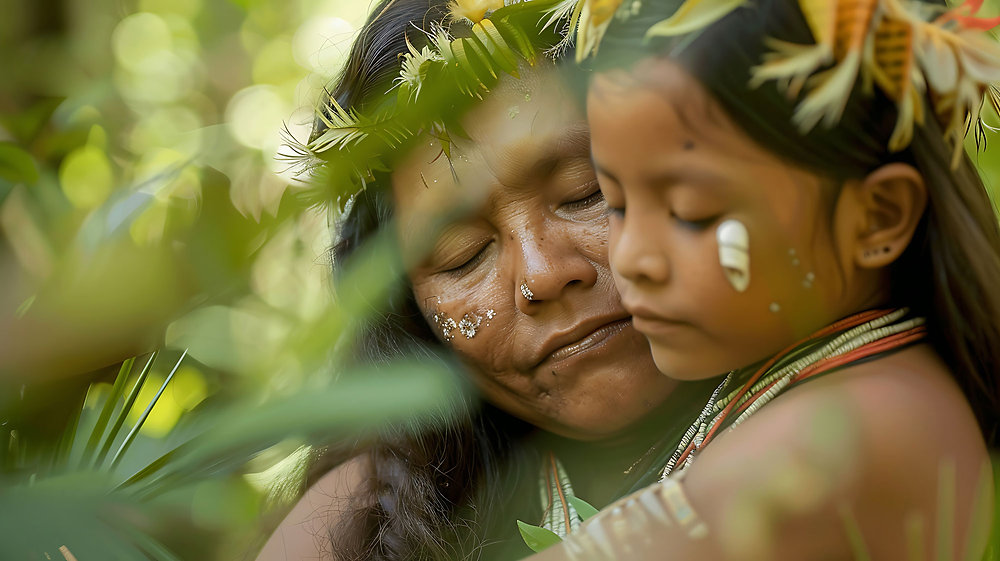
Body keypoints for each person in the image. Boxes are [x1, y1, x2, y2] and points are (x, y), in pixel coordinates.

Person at [523, 0, 999, 559]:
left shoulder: (839, 443)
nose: (633, 258)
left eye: (691, 212)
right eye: (615, 202)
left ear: (877, 218)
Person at [256, 1, 712, 559]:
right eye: (463, 255)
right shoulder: (376, 508)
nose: (542, 274)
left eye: (585, 192)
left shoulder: (839, 388)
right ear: (409, 312)